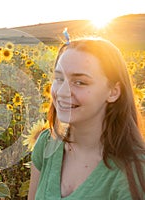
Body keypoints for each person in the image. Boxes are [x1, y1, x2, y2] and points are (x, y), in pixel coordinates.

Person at [28, 37, 145, 199]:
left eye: (80, 82)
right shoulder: (47, 143)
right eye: (59, 78)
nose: (62, 92)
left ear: (113, 92)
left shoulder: (134, 171)